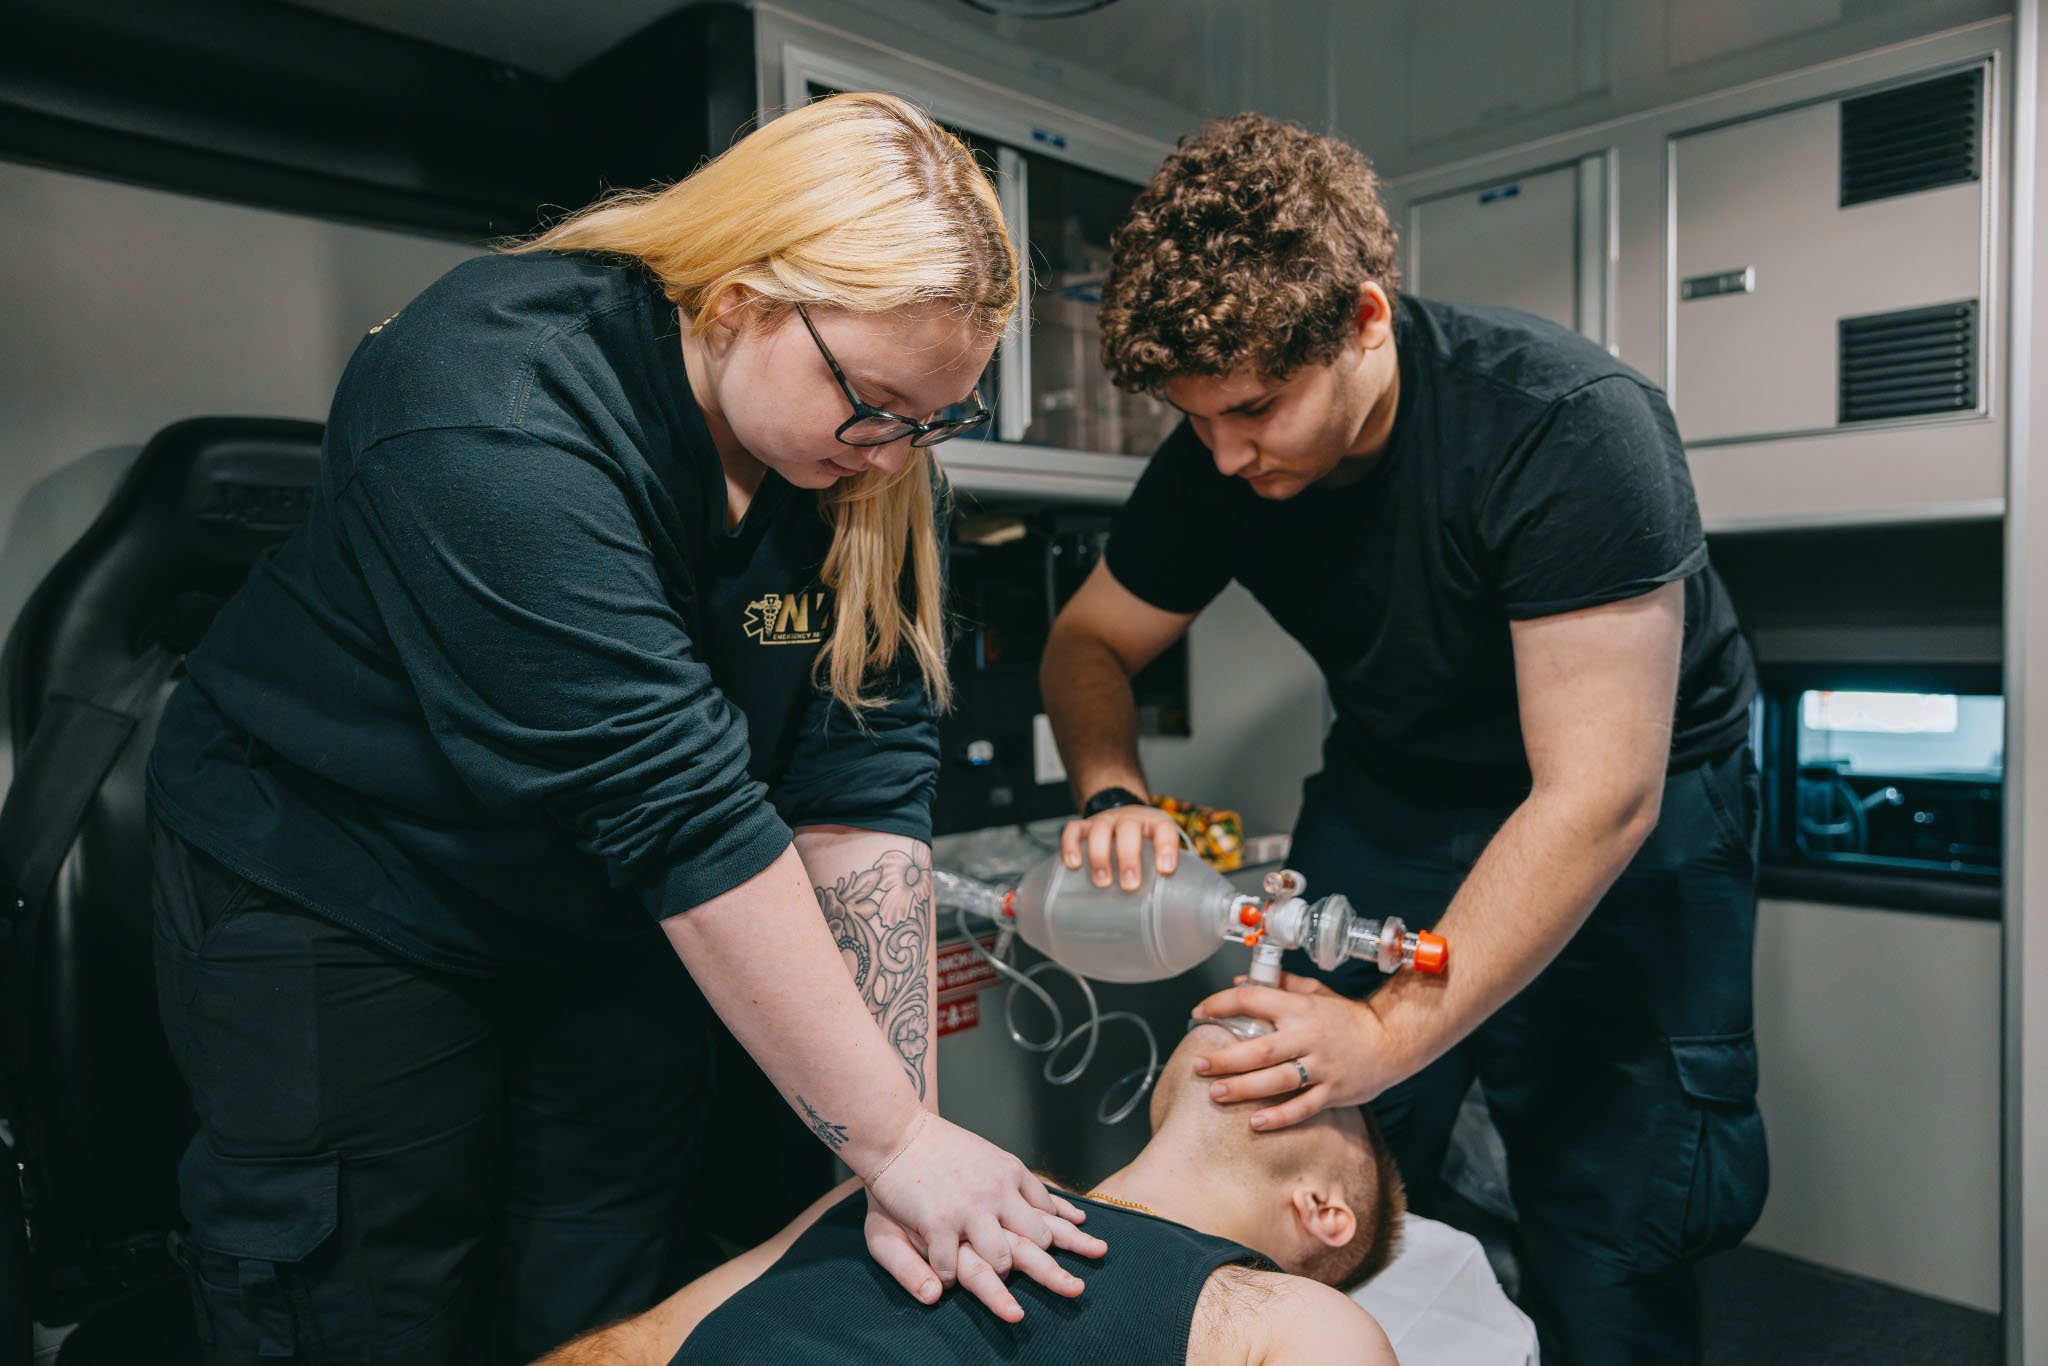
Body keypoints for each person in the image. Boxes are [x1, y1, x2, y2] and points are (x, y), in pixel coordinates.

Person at [146, 93, 1100, 1365]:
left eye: (930, 422)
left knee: (608, 1277)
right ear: (740, 304)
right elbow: (676, 807)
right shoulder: (495, 403)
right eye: (872, 407)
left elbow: (861, 785)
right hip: (348, 878)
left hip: (609, 897)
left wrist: (880, 1138)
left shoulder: (863, 459)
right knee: (362, 1295)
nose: (891, 459)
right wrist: (897, 1145)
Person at [1040, 112, 1767, 1366]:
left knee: (1611, 1205)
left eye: (1256, 408)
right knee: (1306, 1170)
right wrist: (1113, 787)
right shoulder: (1218, 453)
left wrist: (1389, 1029)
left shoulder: (1564, 425)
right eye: (1193, 416)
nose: (1224, 452)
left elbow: (1593, 793)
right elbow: (1085, 645)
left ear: (1364, 320)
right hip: (1393, 788)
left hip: (1633, 811)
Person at [534, 1021, 1404, 1365]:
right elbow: (631, 1353)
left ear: (1325, 1212)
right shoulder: (902, 1185)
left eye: (1335, 1096)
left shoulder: (1290, 1320)